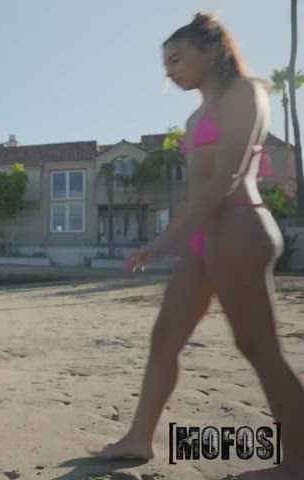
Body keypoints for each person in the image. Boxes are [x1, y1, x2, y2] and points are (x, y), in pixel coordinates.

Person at [94, 12, 304, 479]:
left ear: (211, 51)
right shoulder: (195, 115)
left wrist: (170, 237)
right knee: (164, 337)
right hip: (204, 237)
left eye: (176, 58)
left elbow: (230, 176)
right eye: (164, 63)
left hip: (241, 228)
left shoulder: (246, 92)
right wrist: (169, 238)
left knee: (258, 346)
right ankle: (138, 439)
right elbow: (195, 190)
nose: (169, 69)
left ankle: (301, 459)